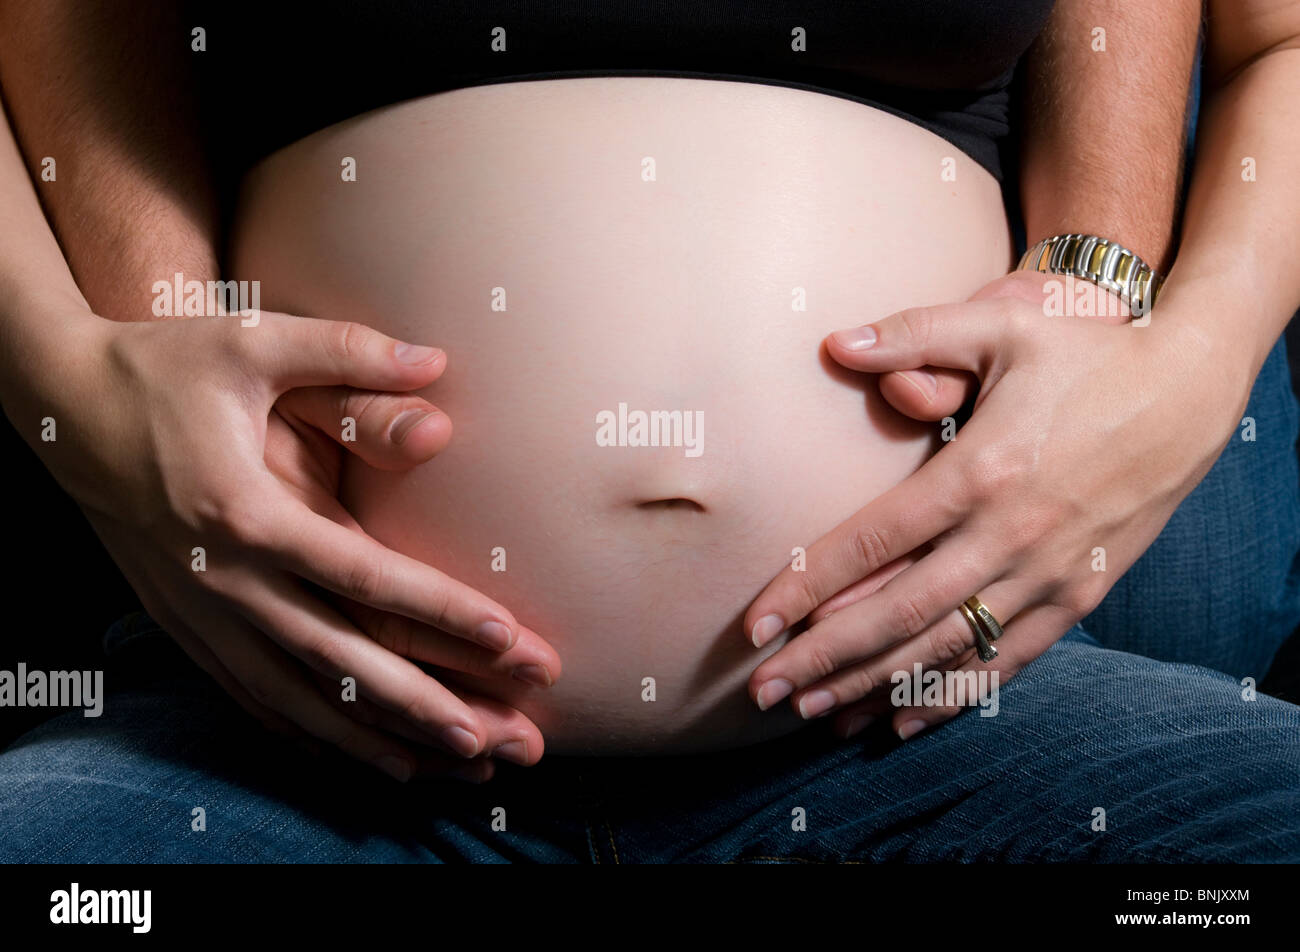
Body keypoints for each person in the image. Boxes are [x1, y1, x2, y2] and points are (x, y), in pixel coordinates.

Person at [1, 0, 1298, 861]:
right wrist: (79, 374)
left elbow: (1277, 42)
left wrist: (1180, 354)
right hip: (295, 747)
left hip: (938, 726)